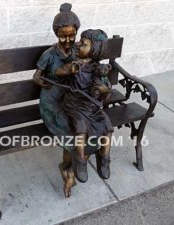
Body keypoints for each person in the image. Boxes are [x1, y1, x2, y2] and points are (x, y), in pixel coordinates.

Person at [33, 3, 113, 198]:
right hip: (53, 102)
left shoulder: (79, 51)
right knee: (75, 131)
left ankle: (75, 165)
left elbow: (94, 67)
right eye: (63, 36)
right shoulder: (50, 54)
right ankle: (68, 168)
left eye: (72, 36)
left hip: (75, 100)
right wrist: (46, 83)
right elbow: (36, 76)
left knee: (87, 127)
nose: (68, 41)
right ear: (56, 34)